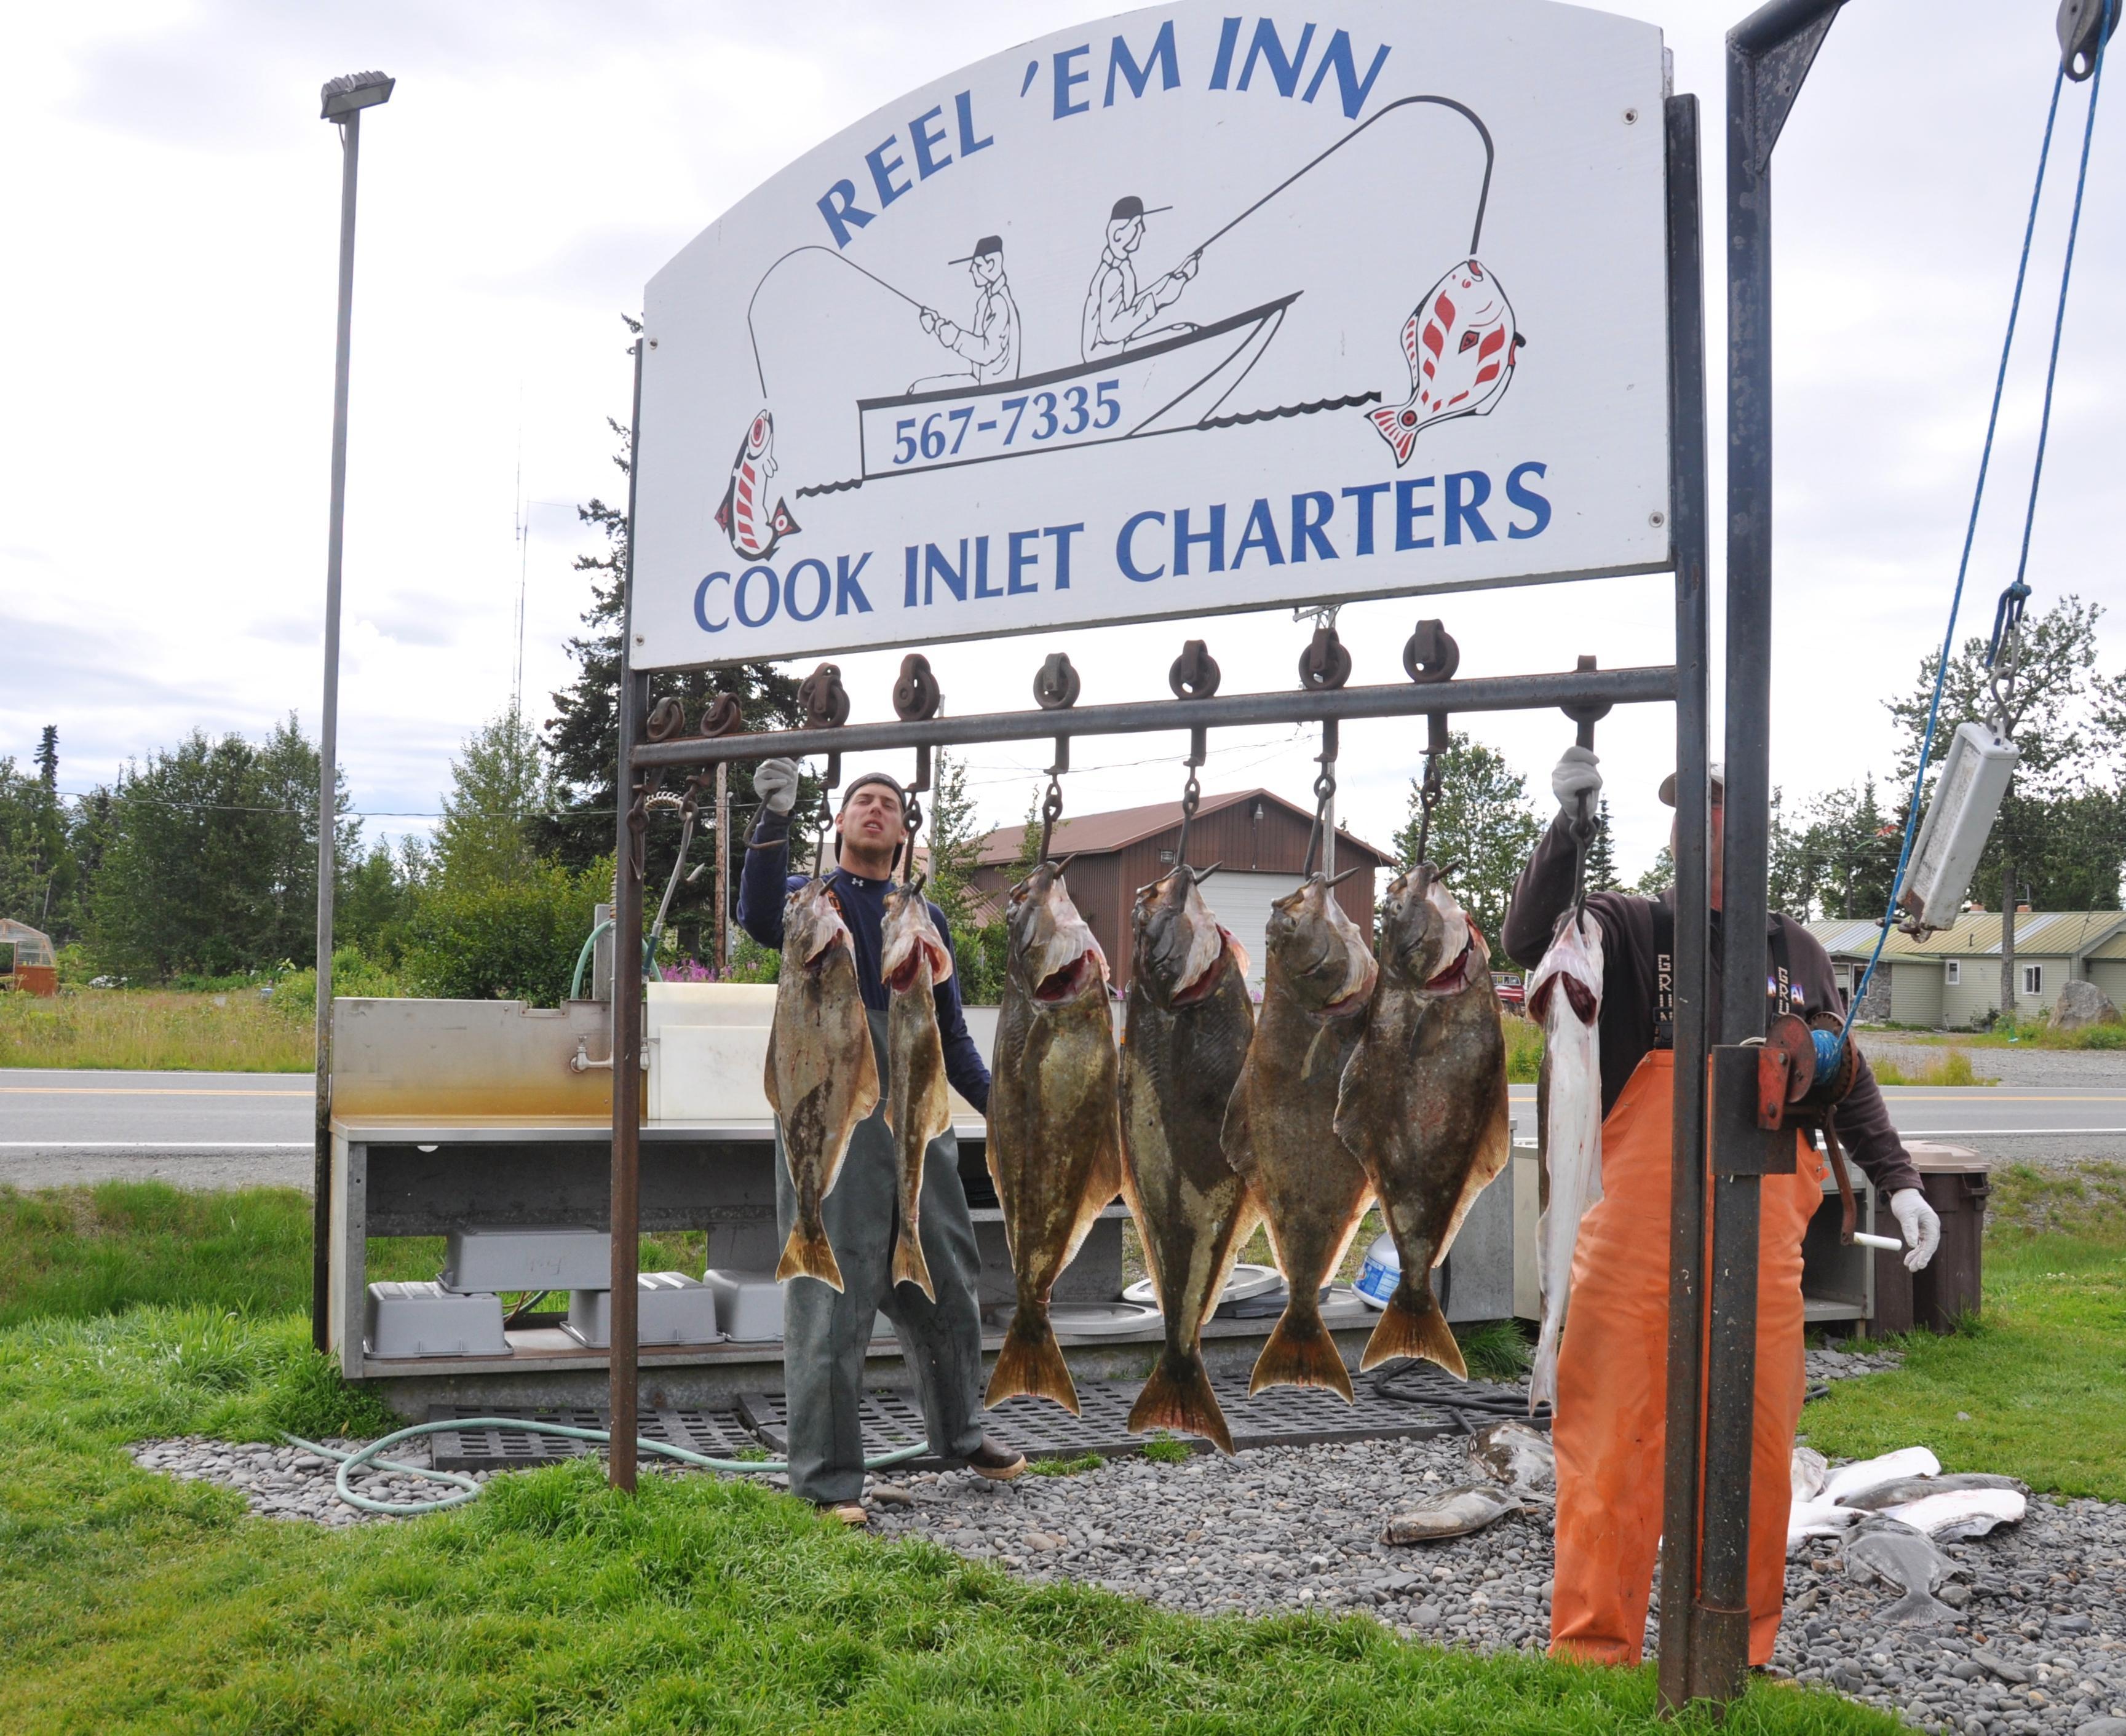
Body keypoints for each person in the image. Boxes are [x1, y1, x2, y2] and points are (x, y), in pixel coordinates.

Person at [1503, 750, 1942, 1669]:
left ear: (1752, 829)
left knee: (1753, 1452)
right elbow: (1529, 934)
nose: (1696, 823)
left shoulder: (1799, 953)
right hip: (1629, 1246)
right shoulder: (1626, 925)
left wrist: (1898, 1177)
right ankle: (1594, 1654)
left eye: (1716, 807)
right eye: (1685, 809)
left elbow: (1844, 1075)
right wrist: (1565, 830)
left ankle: (1732, 1655)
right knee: (1612, 1448)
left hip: (1763, 1248)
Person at [739, 760, 1025, 1523]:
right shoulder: (811, 906)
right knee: (831, 1296)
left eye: (889, 804)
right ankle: (829, 1480)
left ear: (904, 831)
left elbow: (953, 1037)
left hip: (918, 1116)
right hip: (833, 1118)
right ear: (838, 823)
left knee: (947, 1276)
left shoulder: (923, 922)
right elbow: (758, 914)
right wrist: (771, 821)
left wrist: (1004, 1109)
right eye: (862, 800)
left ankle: (963, 1431)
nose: (874, 810)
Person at [1081, 194, 1199, 360]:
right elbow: (1111, 331)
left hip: (1116, 348)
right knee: (1187, 333)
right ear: (1118, 235)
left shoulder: (1121, 267)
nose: (1143, 229)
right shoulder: (1113, 275)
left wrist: (1177, 277)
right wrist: (1158, 300)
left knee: (1184, 330)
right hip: (1105, 355)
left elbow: (1130, 305)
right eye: (1137, 224)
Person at [912, 235, 1021, 394]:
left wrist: (939, 327)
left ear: (991, 265)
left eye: (977, 265)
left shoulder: (999, 303)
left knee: (919, 391)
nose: (971, 269)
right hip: (982, 381)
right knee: (918, 389)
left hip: (994, 390)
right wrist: (938, 324)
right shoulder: (987, 300)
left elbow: (985, 352)